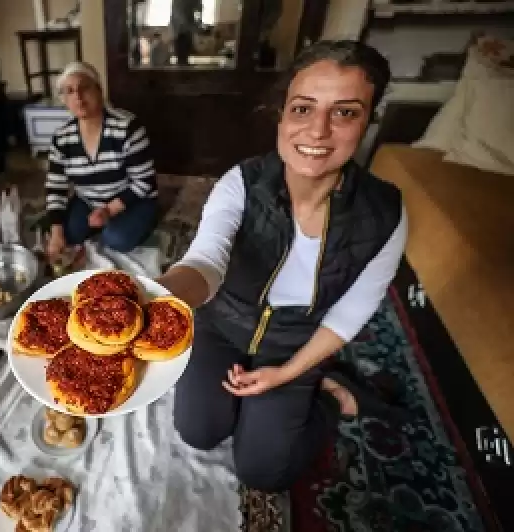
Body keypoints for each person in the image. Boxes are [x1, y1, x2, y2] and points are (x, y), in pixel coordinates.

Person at [157, 41, 409, 492]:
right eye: (302, 108)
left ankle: (332, 395)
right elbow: (207, 260)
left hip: (297, 341)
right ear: (281, 115)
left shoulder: (385, 213)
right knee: (199, 432)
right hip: (223, 322)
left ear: (368, 122)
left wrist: (288, 372)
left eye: (345, 112)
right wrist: (158, 297)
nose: (317, 131)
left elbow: (350, 314)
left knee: (262, 473)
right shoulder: (241, 183)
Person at [45, 61, 159, 262]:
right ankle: (98, 222)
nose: (78, 97)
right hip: (89, 200)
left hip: (133, 200)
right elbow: (56, 187)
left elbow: (144, 182)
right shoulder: (62, 138)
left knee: (116, 239)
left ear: (98, 90)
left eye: (84, 88)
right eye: (69, 91)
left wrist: (109, 210)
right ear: (64, 100)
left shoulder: (127, 127)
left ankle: (141, 218)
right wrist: (56, 232)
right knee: (67, 235)